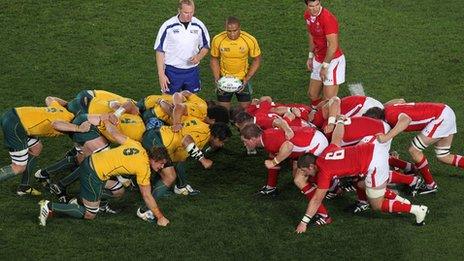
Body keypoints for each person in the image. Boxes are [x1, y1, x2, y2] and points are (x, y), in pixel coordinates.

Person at [294, 116, 429, 233]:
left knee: (376, 204)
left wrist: (304, 222)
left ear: (311, 166)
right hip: (372, 144)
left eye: (305, 171)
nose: (306, 175)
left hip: (375, 163)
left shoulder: (324, 172)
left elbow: (317, 200)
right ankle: (400, 200)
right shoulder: (326, 154)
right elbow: (336, 138)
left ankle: (417, 209)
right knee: (359, 184)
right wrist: (340, 121)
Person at [38, 119, 170, 227]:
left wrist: (107, 122)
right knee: (90, 214)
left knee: (118, 190)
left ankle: (87, 200)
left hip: (92, 163)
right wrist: (160, 217)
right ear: (154, 159)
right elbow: (147, 196)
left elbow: (115, 133)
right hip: (93, 174)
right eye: (161, 163)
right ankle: (50, 206)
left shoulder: (137, 146)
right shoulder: (144, 169)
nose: (162, 166)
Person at [364, 102, 463, 195]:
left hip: (440, 118)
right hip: (444, 111)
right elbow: (400, 100)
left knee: (414, 150)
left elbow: (406, 120)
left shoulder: (389, 116)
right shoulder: (387, 108)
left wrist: (387, 137)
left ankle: (430, 185)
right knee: (443, 156)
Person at [0, 97, 75, 195]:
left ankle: (24, 187)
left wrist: (68, 104)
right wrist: (78, 128)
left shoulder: (62, 109)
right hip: (16, 127)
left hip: (12, 114)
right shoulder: (69, 122)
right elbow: (56, 124)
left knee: (36, 147)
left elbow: (49, 98)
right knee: (18, 167)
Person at [154, 0, 210, 94]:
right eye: (186, 12)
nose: (189, 15)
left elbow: (206, 46)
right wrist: (161, 75)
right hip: (172, 71)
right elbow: (160, 50)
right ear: (179, 10)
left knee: (192, 103)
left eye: (191, 12)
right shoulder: (168, 26)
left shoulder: (199, 25)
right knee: (169, 102)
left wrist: (198, 57)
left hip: (192, 71)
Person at [210, 16, 261, 110]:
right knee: (223, 110)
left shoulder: (249, 40)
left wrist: (247, 78)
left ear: (239, 28)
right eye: (229, 31)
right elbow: (214, 59)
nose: (232, 34)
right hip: (224, 78)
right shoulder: (218, 39)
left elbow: (257, 59)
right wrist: (217, 79)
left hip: (242, 78)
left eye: (235, 30)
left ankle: (235, 117)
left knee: (245, 108)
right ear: (225, 29)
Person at [304, 0, 345, 107]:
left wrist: (325, 66)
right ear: (307, 6)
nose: (315, 8)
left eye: (317, 4)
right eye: (311, 6)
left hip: (332, 61)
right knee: (312, 94)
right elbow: (312, 35)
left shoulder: (328, 19)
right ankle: (316, 114)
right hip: (318, 58)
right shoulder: (307, 15)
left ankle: (326, 121)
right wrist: (310, 56)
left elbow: (333, 45)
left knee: (328, 100)